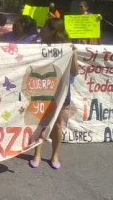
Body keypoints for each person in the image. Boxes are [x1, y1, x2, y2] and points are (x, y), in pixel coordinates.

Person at [30, 18, 79, 169]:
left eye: (44, 27)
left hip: (61, 91)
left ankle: (55, 155)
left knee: (58, 124)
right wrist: (38, 40)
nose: (41, 29)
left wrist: (74, 55)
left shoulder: (67, 48)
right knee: (41, 122)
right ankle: (36, 154)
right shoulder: (37, 46)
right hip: (42, 87)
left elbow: (75, 72)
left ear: (52, 30)